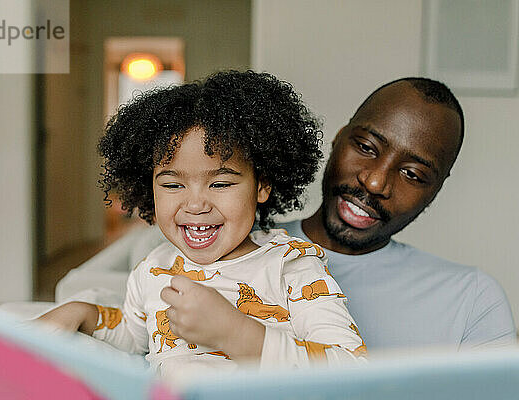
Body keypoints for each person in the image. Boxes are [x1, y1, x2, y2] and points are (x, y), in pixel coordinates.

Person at [37, 71, 366, 379]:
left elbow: (351, 370)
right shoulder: (153, 269)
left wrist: (233, 332)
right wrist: (81, 313)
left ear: (262, 186)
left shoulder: (291, 266)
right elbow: (134, 336)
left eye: (220, 184)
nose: (195, 205)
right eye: (172, 185)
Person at [280, 77, 516, 350]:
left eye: (412, 174)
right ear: (339, 137)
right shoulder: (234, 246)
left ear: (436, 190)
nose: (375, 182)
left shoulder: (472, 299)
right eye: (366, 147)